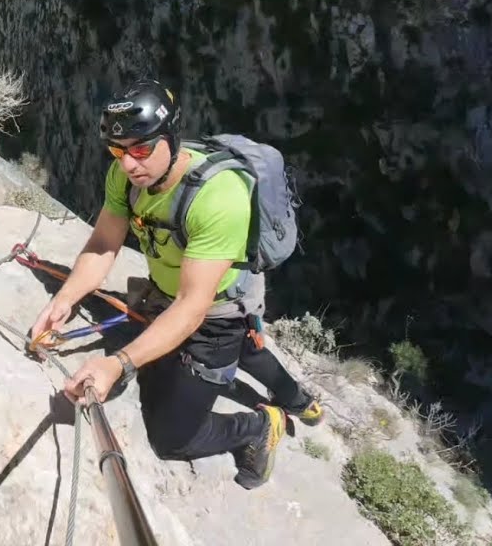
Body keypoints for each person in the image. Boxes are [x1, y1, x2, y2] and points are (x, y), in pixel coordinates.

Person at [29, 78, 325, 490]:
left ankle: (259, 425)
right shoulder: (126, 177)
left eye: (141, 149)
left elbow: (191, 307)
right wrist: (64, 300)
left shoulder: (218, 198)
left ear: (171, 138)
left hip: (217, 312)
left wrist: (117, 363)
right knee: (246, 349)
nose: (130, 164)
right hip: (175, 295)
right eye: (119, 150)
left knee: (172, 436)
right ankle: (299, 399)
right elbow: (102, 245)